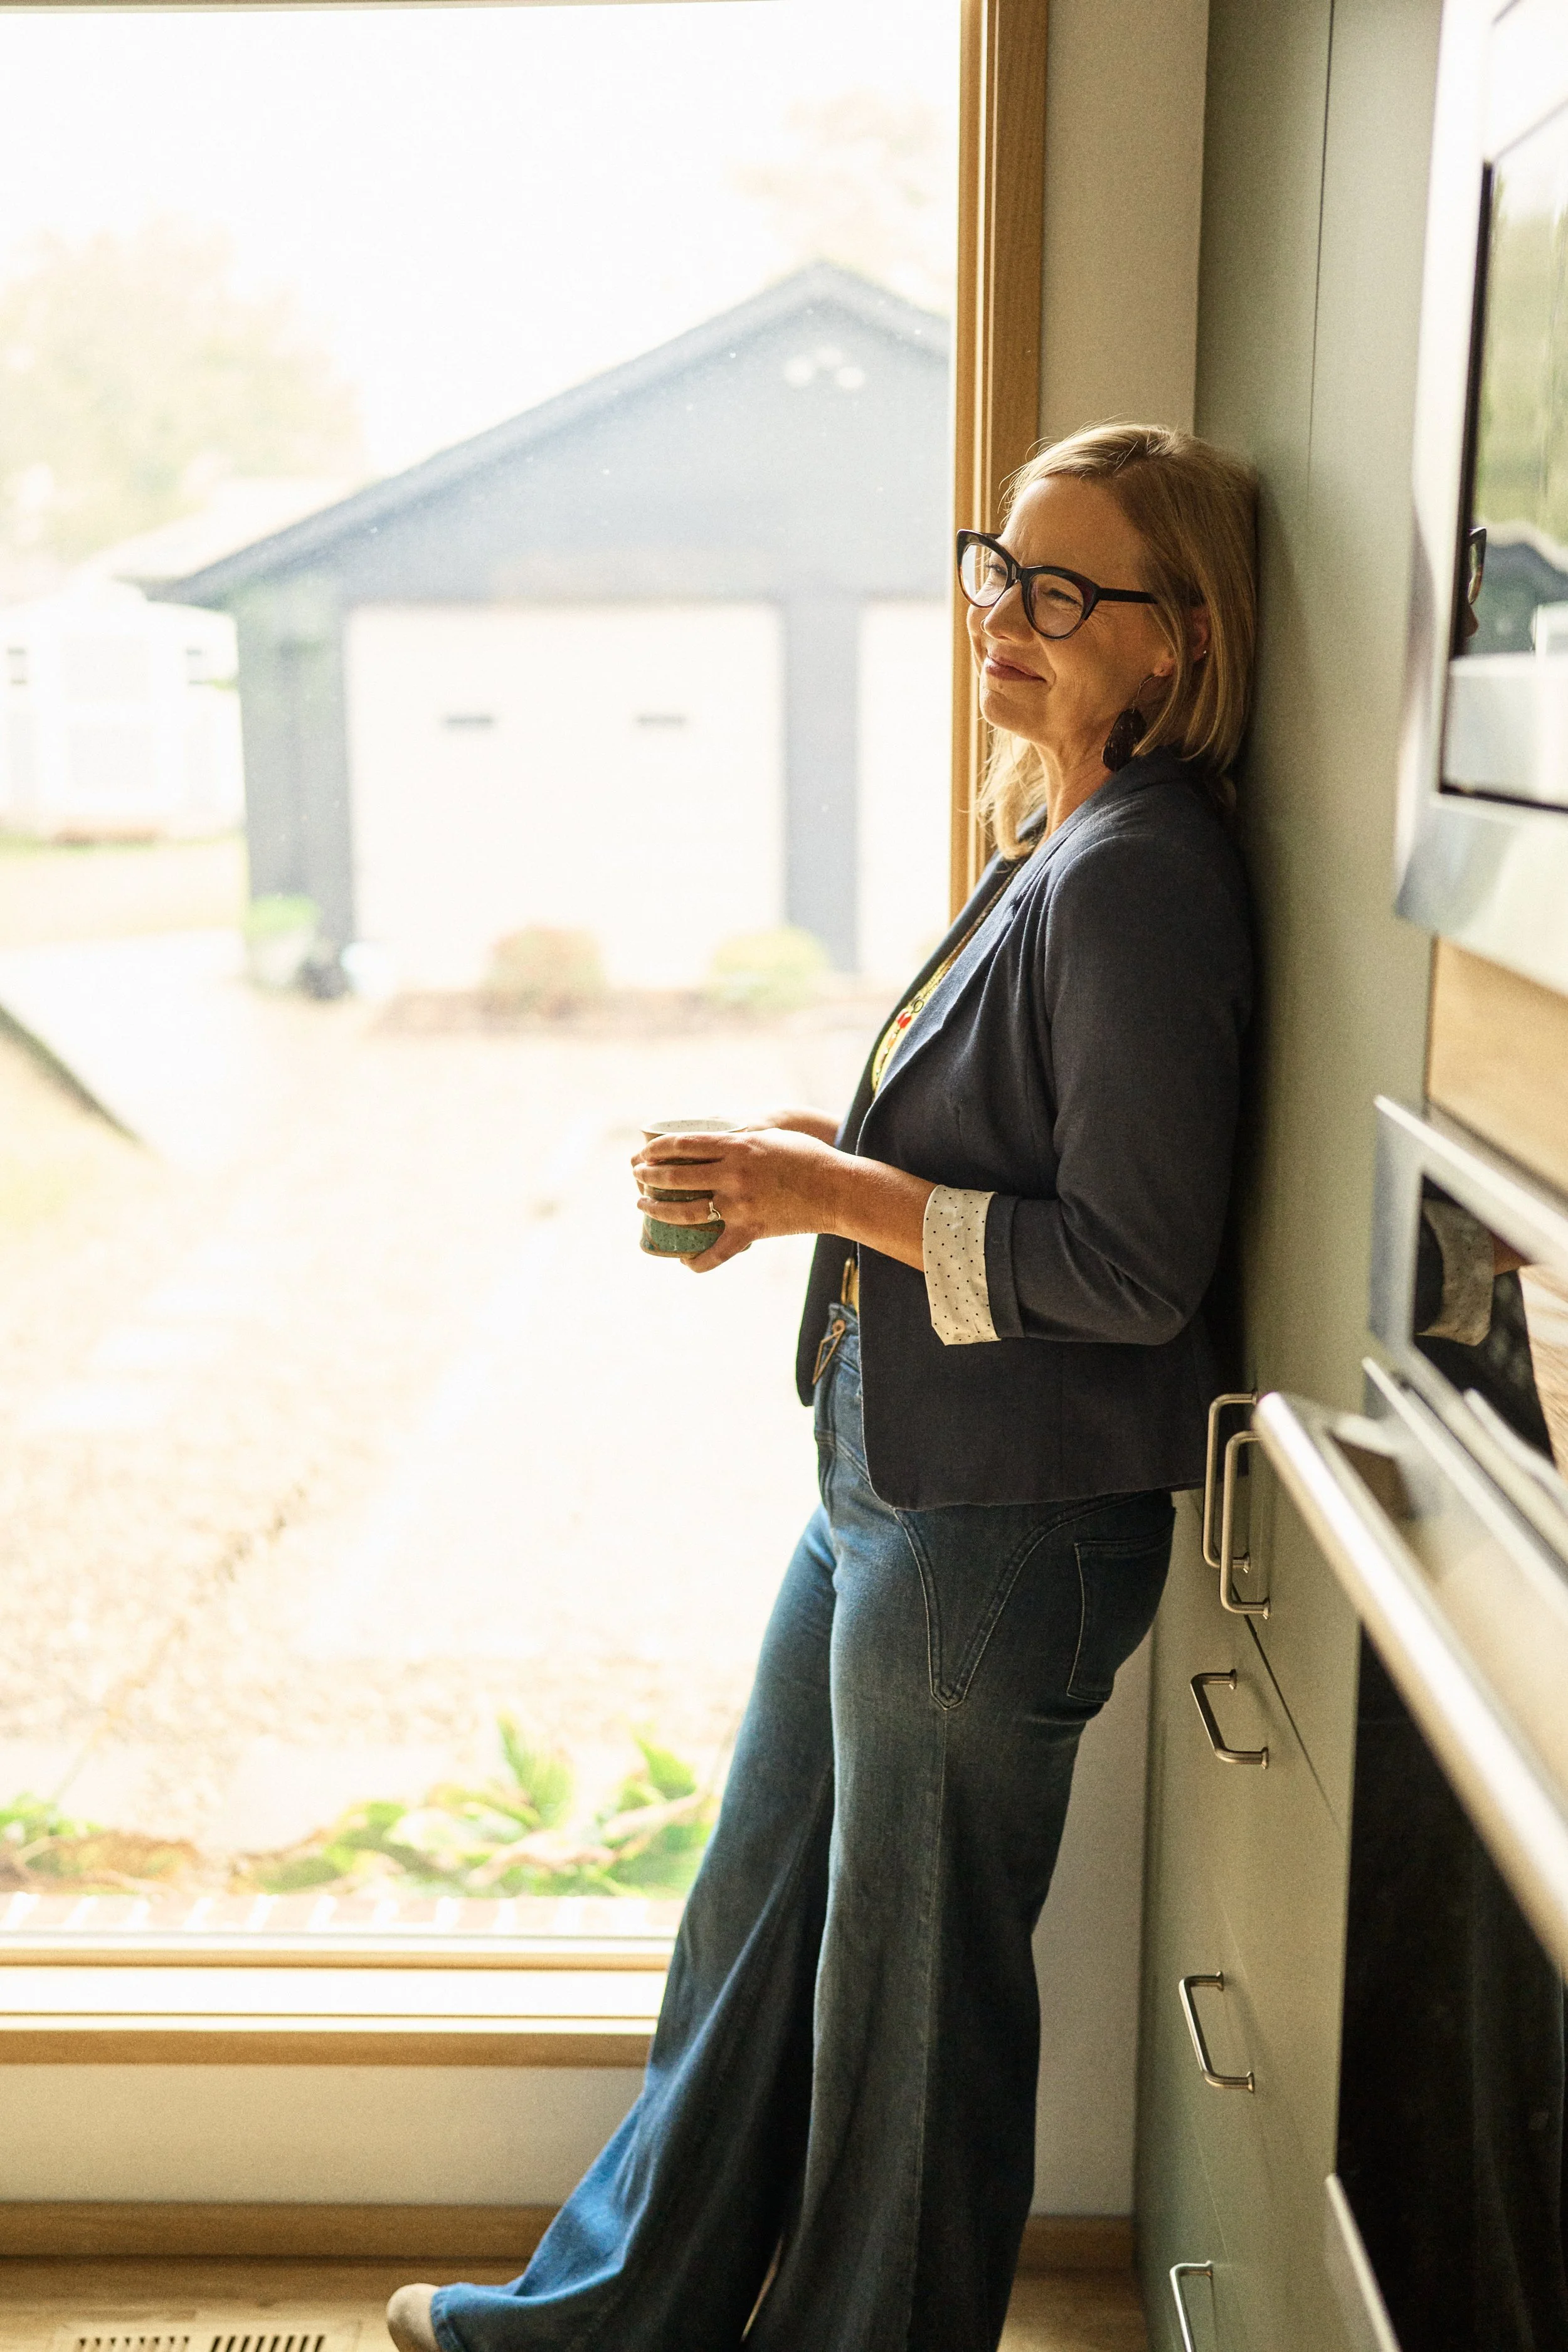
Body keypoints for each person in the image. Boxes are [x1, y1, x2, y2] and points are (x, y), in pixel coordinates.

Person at [387, 420, 1258, 2352]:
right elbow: (1014, 1159)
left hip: (999, 1521)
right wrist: (816, 1152)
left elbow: (1127, 1265)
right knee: (757, 1921)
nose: (1002, 618)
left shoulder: (1138, 877)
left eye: (1061, 589)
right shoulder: (1052, 835)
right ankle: (614, 2315)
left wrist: (813, 1189)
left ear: (1174, 642)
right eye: (993, 569)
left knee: (911, 2003)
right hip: (895, 1478)